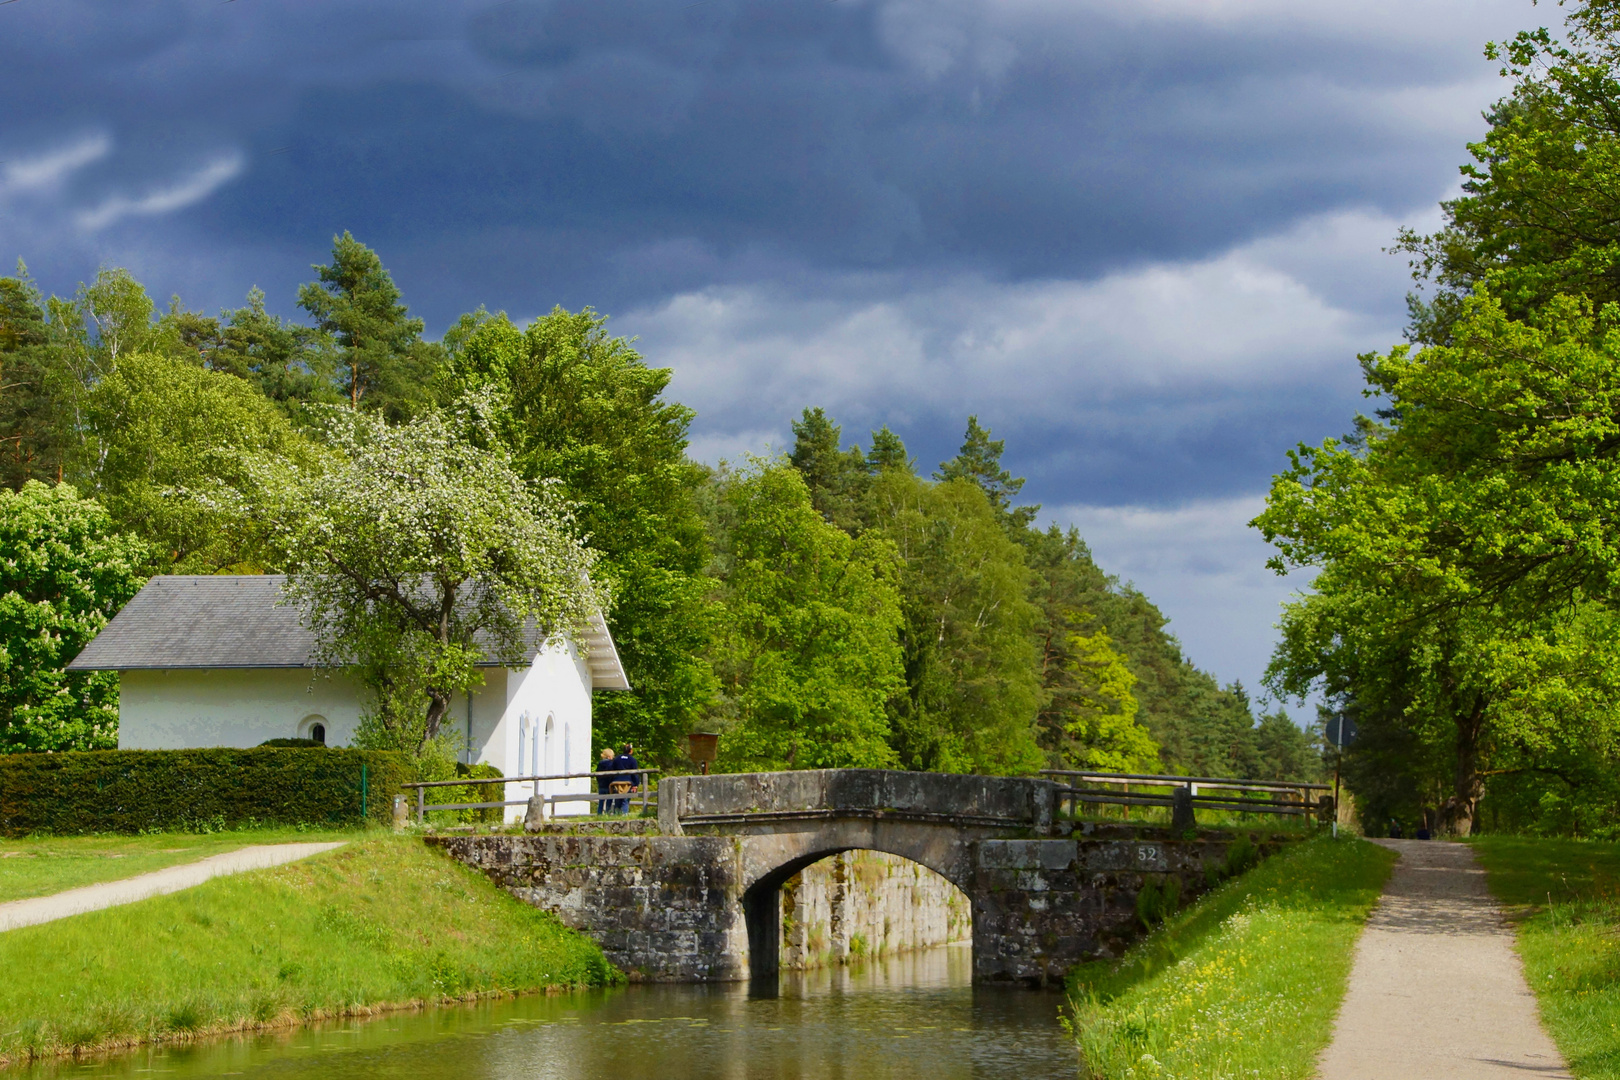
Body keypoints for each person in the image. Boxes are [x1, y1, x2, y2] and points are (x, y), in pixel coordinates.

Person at [616, 743, 641, 815]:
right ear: (631, 751)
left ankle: (616, 815)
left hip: (616, 782)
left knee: (617, 799)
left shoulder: (617, 759)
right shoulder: (632, 760)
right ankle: (624, 815)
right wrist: (635, 784)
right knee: (625, 800)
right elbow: (634, 773)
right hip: (628, 783)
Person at [595, 747, 619, 815]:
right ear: (609, 756)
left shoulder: (600, 764)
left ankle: (599, 814)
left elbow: (597, 774)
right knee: (609, 800)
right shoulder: (612, 764)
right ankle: (608, 813)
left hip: (601, 785)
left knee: (601, 801)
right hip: (609, 785)